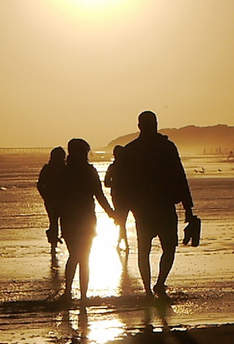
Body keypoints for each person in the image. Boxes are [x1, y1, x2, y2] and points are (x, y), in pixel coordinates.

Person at [117, 110, 196, 299]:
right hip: (161, 206)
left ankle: (150, 289)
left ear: (139, 126)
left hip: (144, 208)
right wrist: (188, 208)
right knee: (167, 248)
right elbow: (179, 176)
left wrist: (122, 211)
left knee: (146, 249)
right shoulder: (166, 147)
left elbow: (122, 185)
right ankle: (158, 285)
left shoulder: (131, 150)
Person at [58, 138, 114, 305]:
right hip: (86, 218)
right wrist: (112, 213)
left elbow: (57, 198)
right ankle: (83, 295)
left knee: (74, 255)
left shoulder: (63, 172)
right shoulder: (89, 171)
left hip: (68, 218)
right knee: (84, 257)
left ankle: (68, 292)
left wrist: (54, 222)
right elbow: (99, 194)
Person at [36, 147, 66, 253]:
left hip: (55, 199)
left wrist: (45, 196)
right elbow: (40, 185)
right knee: (55, 221)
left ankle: (54, 241)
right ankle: (54, 241)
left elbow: (39, 185)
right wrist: (46, 196)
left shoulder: (49, 168)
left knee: (54, 221)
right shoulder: (64, 168)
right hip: (55, 199)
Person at [103, 144, 129, 252]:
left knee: (121, 219)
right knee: (122, 219)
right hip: (123, 196)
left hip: (120, 196)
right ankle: (123, 242)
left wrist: (115, 184)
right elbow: (106, 183)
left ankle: (122, 241)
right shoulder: (128, 167)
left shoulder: (113, 167)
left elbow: (107, 183)